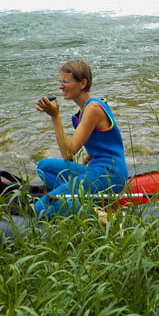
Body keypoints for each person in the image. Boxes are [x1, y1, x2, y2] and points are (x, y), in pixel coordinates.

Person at [34, 60, 128, 219]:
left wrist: (55, 117)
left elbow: (67, 153)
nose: (60, 86)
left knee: (41, 208)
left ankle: (97, 214)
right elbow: (106, 140)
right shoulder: (84, 109)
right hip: (98, 169)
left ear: (83, 83)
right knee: (43, 167)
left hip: (110, 174)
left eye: (66, 81)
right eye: (60, 81)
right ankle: (84, 200)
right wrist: (90, 156)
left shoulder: (93, 109)